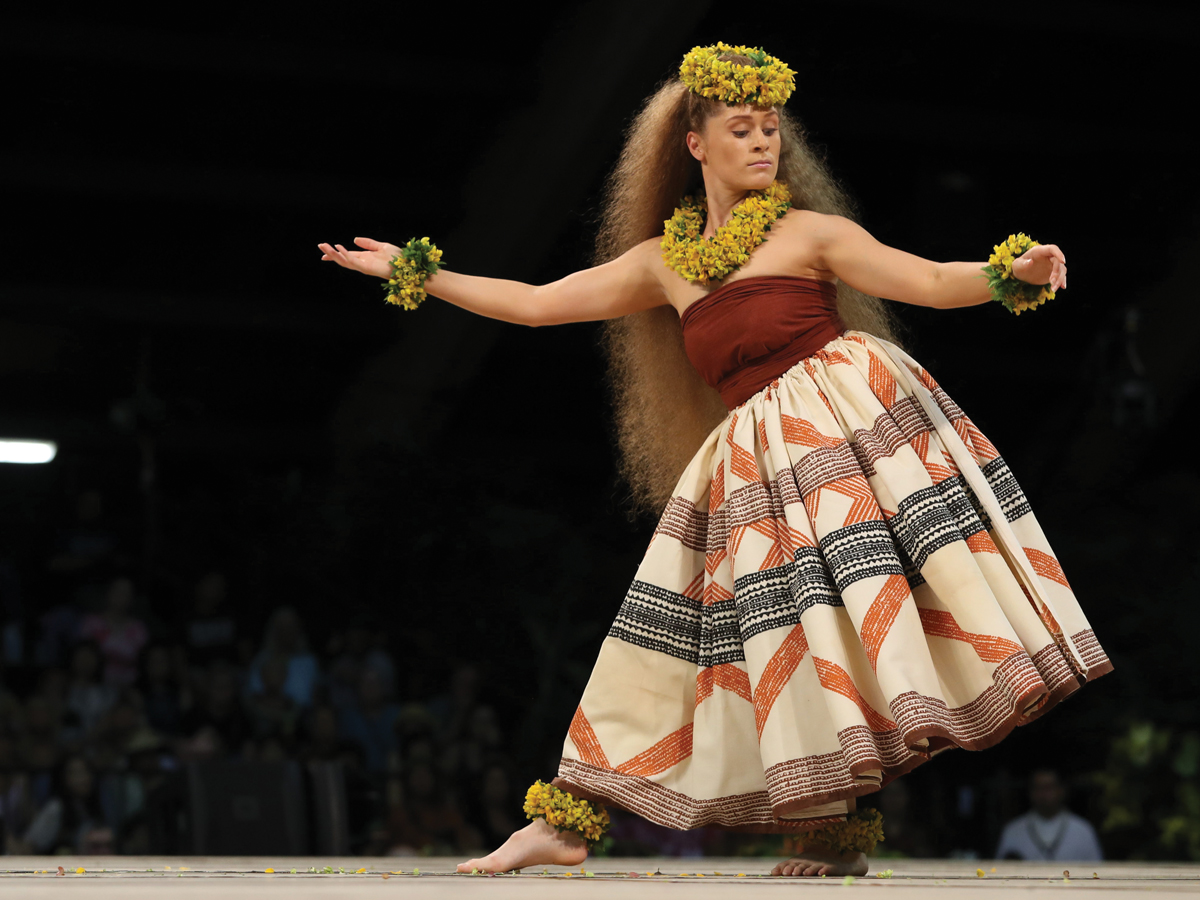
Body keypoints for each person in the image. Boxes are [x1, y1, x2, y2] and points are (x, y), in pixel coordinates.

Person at [318, 43, 1110, 877]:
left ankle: (826, 832)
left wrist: (1006, 273)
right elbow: (537, 306)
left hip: (848, 437)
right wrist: (417, 271)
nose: (765, 144)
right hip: (753, 468)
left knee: (851, 624)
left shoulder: (811, 232)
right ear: (696, 145)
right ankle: (573, 819)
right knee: (715, 636)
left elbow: (928, 280)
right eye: (742, 130)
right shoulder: (667, 261)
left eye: (771, 129)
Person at [996, 769, 1102, 861]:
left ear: (1062, 790)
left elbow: (1097, 870)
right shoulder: (1013, 830)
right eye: (1038, 788)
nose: (1043, 794)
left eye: (1049, 787)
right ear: (1030, 792)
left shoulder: (1083, 830)